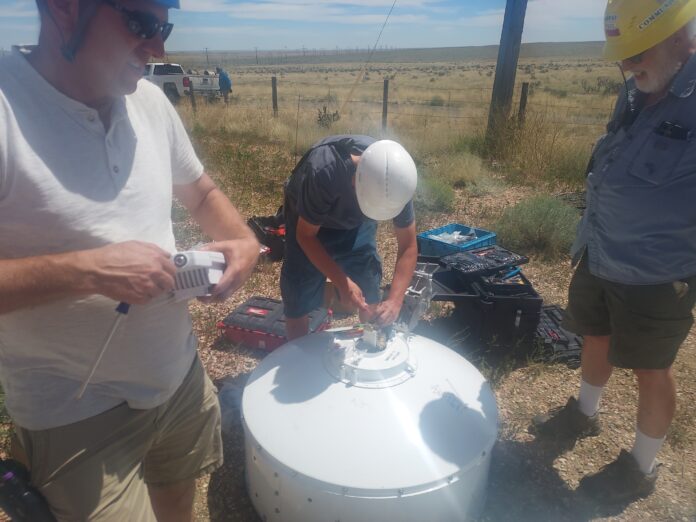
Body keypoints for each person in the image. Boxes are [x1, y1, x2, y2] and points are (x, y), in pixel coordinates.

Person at [0, 0, 259, 520]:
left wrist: (243, 240)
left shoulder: (148, 101)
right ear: (66, 10)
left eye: (164, 27)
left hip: (178, 375)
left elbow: (202, 192)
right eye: (140, 23)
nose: (159, 47)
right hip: (74, 411)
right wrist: (89, 270)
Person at [531, 0, 696, 504]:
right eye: (621, 55)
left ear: (681, 38)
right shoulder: (633, 93)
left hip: (655, 272)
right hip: (600, 250)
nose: (627, 65)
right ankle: (584, 414)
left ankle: (640, 466)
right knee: (593, 336)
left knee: (652, 369)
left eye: (637, 52)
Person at [280, 135, 418, 340]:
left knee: (368, 280)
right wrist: (342, 283)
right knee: (298, 292)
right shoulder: (324, 171)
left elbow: (408, 245)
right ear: (355, 180)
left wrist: (395, 300)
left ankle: (371, 345)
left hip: (356, 224)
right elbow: (306, 236)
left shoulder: (397, 182)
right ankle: (298, 356)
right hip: (307, 220)